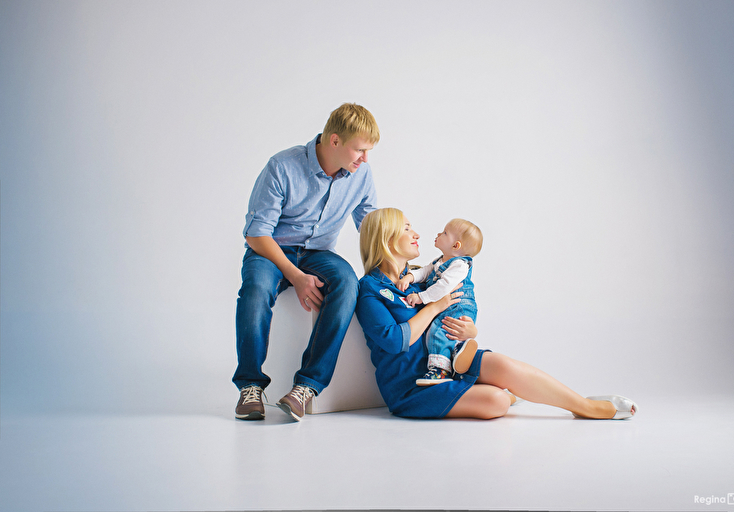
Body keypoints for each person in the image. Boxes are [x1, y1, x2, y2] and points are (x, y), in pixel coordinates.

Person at [355, 207, 638, 420]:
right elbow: (395, 340)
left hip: (449, 361)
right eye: (406, 229)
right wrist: (434, 307)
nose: (416, 234)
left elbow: (452, 310)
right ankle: (513, 393)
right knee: (497, 401)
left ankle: (585, 406)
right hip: (412, 387)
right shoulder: (370, 289)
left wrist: (469, 329)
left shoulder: (422, 278)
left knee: (502, 365)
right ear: (386, 239)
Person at [232, 103, 379, 421]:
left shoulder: (361, 175)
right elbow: (256, 234)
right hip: (271, 250)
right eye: (360, 150)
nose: (365, 159)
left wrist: (396, 268)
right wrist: (296, 276)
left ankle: (306, 387)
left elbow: (371, 228)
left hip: (318, 254)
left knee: (347, 283)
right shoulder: (282, 166)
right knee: (256, 289)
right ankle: (250, 386)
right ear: (335, 141)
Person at [395, 219, 482, 386]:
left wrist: (421, 297)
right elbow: (424, 272)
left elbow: (444, 286)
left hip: (458, 305)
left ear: (456, 245)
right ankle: (458, 353)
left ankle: (440, 370)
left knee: (438, 332)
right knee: (446, 334)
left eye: (444, 233)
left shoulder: (460, 265)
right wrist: (409, 277)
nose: (438, 234)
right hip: (450, 305)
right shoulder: (440, 261)